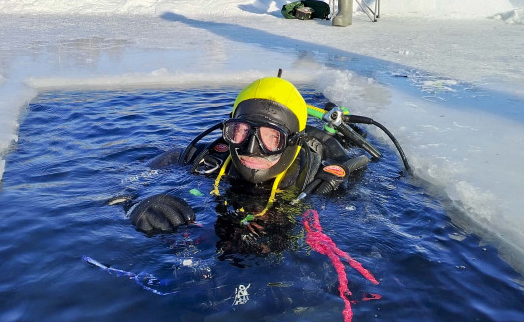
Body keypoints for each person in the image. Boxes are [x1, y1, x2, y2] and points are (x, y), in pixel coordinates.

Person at [112, 76, 408, 248]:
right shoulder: (205, 158)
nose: (252, 148)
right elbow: (120, 184)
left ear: (293, 139)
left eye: (271, 137)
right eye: (240, 132)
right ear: (228, 130)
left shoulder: (319, 178)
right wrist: (135, 204)